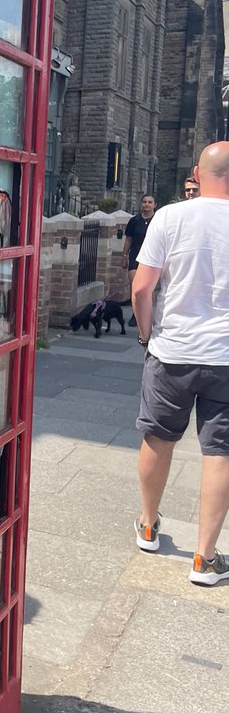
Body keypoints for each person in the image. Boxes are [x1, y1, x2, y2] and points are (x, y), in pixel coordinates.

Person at [132, 142, 229, 584]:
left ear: (196, 172)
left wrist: (147, 334)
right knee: (220, 454)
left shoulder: (169, 217)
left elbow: (141, 288)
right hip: (225, 357)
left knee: (157, 439)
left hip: (171, 351)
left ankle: (149, 526)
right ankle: (204, 559)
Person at [122, 194, 155, 326]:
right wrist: (124, 256)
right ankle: (136, 314)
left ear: (154, 205)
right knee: (135, 288)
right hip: (135, 256)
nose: (147, 204)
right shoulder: (134, 221)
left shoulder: (158, 221)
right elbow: (128, 239)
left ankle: (148, 315)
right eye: (144, 202)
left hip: (152, 259)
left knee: (148, 289)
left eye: (150, 202)